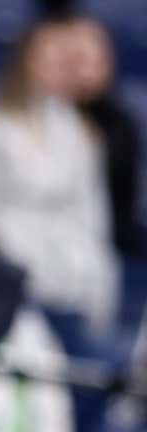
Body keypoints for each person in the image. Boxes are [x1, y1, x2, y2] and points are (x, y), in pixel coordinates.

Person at [0, 17, 119, 339]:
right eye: (50, 57)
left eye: (67, 60)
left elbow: (93, 218)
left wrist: (96, 283)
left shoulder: (78, 130)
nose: (59, 68)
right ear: (24, 59)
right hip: (2, 290)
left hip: (70, 287)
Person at [65, 15, 143, 257]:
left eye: (99, 58)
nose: (89, 70)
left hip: (111, 239)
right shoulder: (29, 120)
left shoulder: (121, 123)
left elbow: (123, 205)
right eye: (79, 59)